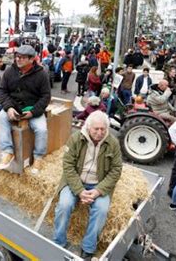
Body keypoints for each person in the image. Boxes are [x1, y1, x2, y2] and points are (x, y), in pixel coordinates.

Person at [53, 111, 122, 259]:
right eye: (96, 129)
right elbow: (68, 165)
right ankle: (59, 242)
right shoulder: (76, 138)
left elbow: (116, 170)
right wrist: (79, 191)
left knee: (101, 210)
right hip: (75, 181)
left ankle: (88, 248)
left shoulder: (113, 143)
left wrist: (98, 191)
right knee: (64, 205)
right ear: (88, 127)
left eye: (103, 129)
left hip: (98, 184)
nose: (99, 132)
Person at [0, 45, 51, 174]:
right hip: (14, 107)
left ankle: (38, 157)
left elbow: (46, 96)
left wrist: (33, 112)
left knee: (41, 129)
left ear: (32, 59)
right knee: (1, 116)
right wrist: (9, 107)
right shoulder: (10, 71)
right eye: (17, 57)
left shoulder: (41, 74)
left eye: (22, 57)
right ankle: (7, 152)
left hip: (33, 109)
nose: (18, 59)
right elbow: (1, 91)